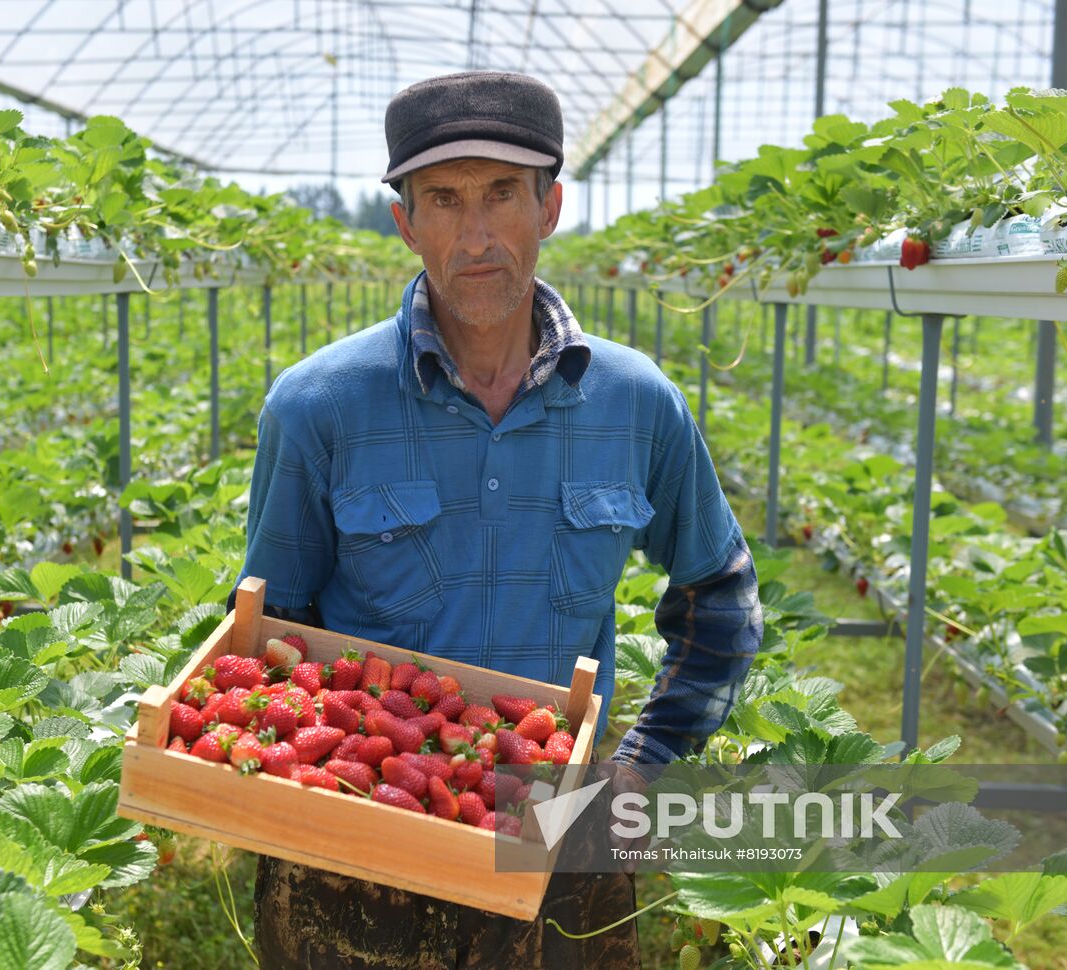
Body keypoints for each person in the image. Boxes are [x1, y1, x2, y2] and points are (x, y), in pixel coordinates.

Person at [230, 70, 762, 969]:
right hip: (359, 845)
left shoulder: (636, 403)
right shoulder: (317, 407)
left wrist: (640, 770)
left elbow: (722, 598)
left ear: (550, 207)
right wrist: (321, 785)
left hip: (559, 839)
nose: (476, 235)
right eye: (443, 199)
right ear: (405, 222)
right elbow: (272, 631)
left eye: (502, 194)